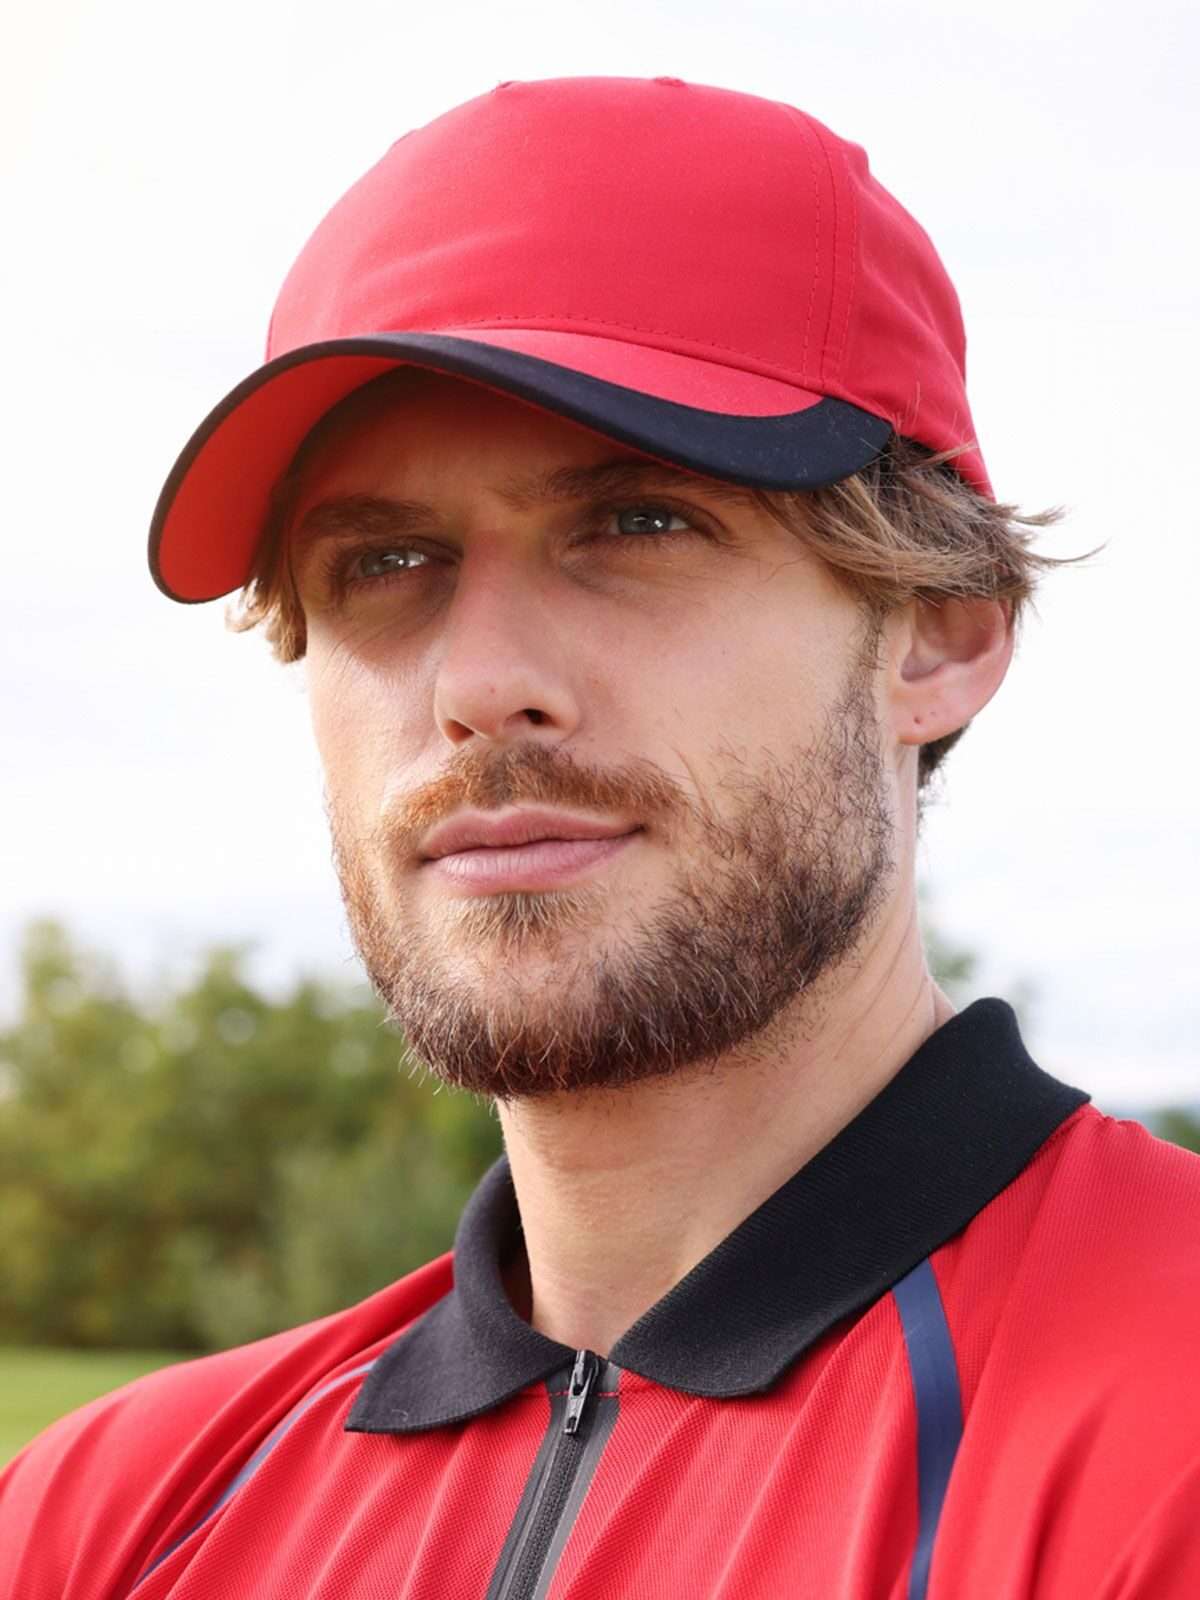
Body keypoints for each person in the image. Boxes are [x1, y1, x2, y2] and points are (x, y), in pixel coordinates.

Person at [2, 75, 1197, 1600]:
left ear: (939, 633)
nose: (481, 683)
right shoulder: (102, 1522)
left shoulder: (1165, 1430)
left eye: (637, 525)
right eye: (385, 561)